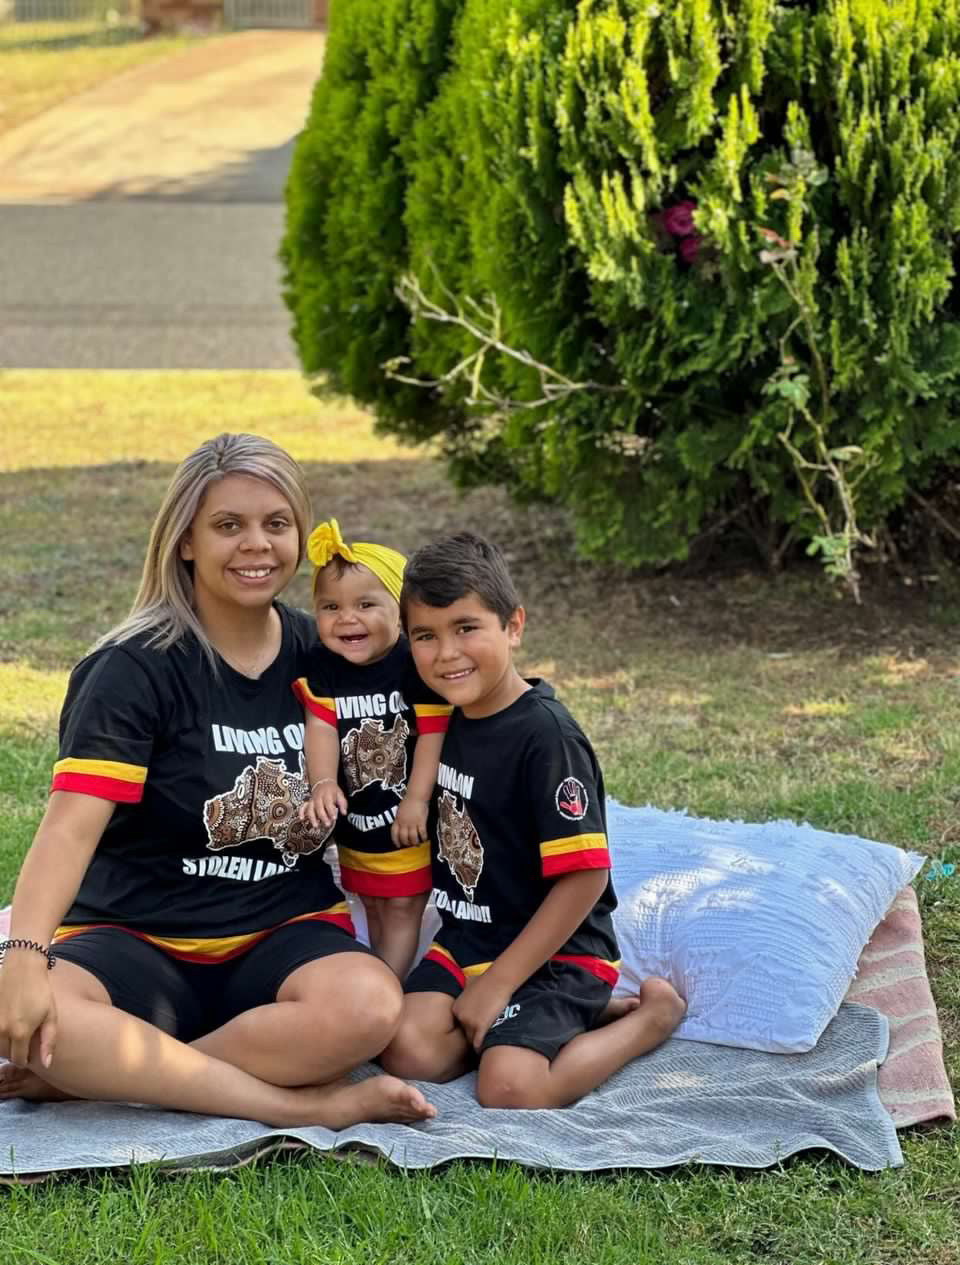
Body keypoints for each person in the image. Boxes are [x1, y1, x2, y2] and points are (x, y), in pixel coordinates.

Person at [0, 433, 435, 1128]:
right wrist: (23, 958)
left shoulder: (326, 650)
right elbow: (69, 829)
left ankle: (111, 1073)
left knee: (370, 1006)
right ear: (186, 541)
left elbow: (447, 686)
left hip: (285, 929)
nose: (256, 544)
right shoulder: (131, 668)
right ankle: (297, 1105)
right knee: (38, 1009)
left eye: (276, 523)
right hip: (135, 934)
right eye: (228, 525)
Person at [380, 532, 685, 1108]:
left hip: (556, 953)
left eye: (466, 628)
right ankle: (537, 1027)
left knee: (508, 1087)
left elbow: (586, 876)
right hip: (471, 938)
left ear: (514, 625)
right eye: (426, 636)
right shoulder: (444, 718)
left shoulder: (547, 737)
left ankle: (648, 1020)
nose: (447, 653)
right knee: (407, 1050)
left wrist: (498, 984)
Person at [293, 519, 451, 978]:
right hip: (357, 820)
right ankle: (383, 979)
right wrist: (323, 782)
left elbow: (434, 734)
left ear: (400, 612)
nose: (347, 618)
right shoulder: (323, 664)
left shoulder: (411, 664)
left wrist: (417, 800)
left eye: (365, 604)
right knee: (374, 903)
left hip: (407, 817)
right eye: (330, 607)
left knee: (402, 906)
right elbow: (321, 725)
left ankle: (388, 987)